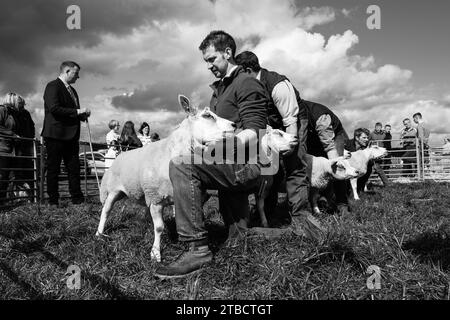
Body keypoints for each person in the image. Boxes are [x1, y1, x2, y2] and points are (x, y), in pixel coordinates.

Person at [155, 30, 268, 279]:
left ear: (228, 53)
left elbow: (256, 131)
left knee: (183, 165)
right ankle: (296, 230)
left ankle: (197, 249)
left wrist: (219, 148)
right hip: (229, 163)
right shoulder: (219, 91)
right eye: (205, 61)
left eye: (212, 59)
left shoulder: (246, 82)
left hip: (246, 165)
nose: (208, 66)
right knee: (239, 238)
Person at [235, 51, 327, 233]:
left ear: (247, 69)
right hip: (272, 128)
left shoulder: (278, 85)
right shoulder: (251, 88)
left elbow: (290, 120)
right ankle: (268, 212)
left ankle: (301, 217)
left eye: (239, 74)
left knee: (295, 165)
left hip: (293, 123)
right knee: (269, 168)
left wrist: (290, 148)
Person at [41, 61, 91, 206]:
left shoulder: (73, 91)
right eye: (76, 73)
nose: (78, 77)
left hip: (71, 136)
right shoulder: (53, 86)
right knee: (54, 169)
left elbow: (72, 112)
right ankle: (53, 201)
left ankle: (77, 199)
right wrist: (77, 111)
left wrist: (82, 116)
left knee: (74, 168)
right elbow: (54, 108)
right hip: (56, 134)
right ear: (67, 71)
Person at [0, 93, 21, 204]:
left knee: (9, 177)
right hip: (2, 149)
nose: (20, 104)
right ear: (12, 101)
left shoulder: (13, 113)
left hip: (10, 149)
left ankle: (5, 201)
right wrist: (12, 134)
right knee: (2, 176)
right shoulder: (2, 110)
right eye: (18, 101)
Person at [14, 95, 35, 184]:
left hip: (27, 143)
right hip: (17, 145)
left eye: (23, 104)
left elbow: (32, 125)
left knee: (28, 167)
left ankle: (28, 193)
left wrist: (31, 137)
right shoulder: (13, 113)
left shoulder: (26, 113)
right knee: (17, 169)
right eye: (20, 104)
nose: (22, 106)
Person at [413, 112, 430, 177]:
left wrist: (418, 143)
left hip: (420, 145)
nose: (414, 121)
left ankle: (420, 175)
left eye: (414, 119)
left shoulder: (419, 125)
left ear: (416, 118)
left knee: (419, 160)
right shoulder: (426, 125)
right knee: (423, 159)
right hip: (426, 144)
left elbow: (420, 137)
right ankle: (423, 174)